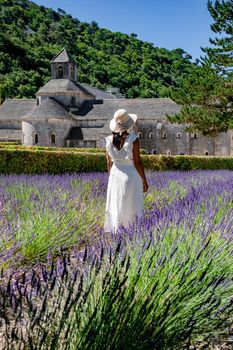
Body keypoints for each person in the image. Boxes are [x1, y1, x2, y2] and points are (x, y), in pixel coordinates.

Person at [104, 108, 149, 233]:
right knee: (131, 203)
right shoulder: (133, 140)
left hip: (114, 174)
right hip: (130, 174)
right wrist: (144, 180)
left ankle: (116, 228)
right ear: (128, 124)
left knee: (116, 203)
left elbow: (109, 162)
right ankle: (131, 229)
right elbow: (138, 162)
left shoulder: (108, 141)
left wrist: (111, 177)